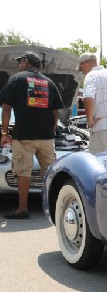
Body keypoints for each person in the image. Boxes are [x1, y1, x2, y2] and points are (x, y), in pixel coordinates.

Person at [0, 51, 64, 219]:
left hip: (24, 137)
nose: (18, 65)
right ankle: (53, 207)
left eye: (20, 61)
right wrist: (52, 130)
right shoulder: (49, 82)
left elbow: (6, 108)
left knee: (23, 172)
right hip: (46, 138)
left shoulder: (16, 79)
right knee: (51, 172)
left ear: (26, 62)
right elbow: (56, 112)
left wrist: (5, 133)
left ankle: (23, 209)